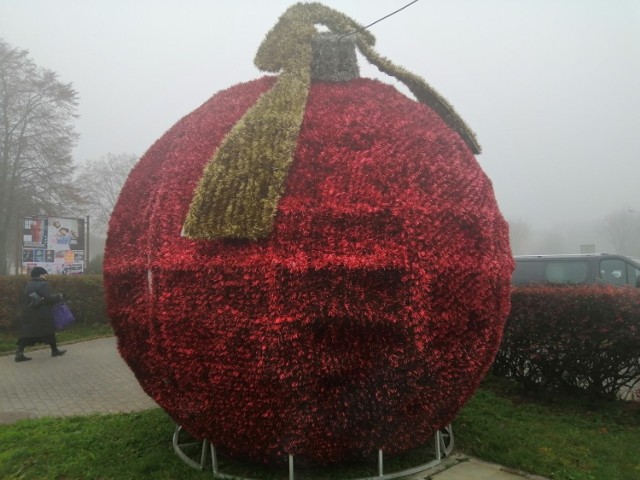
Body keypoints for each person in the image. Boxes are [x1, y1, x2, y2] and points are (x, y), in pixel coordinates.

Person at [15, 266, 67, 362]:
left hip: (29, 312)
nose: (46, 275)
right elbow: (48, 299)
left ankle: (19, 353)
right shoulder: (43, 284)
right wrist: (58, 297)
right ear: (41, 274)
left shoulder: (29, 284)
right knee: (49, 331)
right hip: (41, 313)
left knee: (27, 333)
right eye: (45, 274)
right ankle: (55, 351)